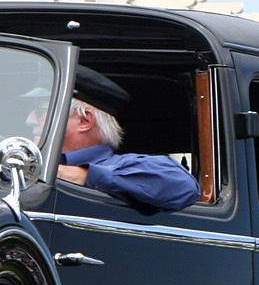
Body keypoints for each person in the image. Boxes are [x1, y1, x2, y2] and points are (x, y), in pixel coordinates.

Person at [49, 68, 199, 212]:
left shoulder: (119, 166)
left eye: (41, 111)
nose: (30, 120)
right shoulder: (34, 161)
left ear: (84, 120)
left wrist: (85, 176)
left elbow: (183, 187)